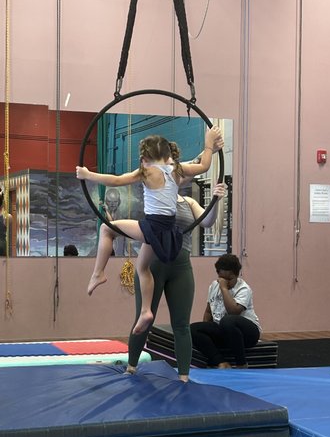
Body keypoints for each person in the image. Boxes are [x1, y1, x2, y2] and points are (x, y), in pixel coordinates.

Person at [76, 126, 223, 335]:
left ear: (145, 158)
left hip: (153, 227)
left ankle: (98, 273)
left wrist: (88, 174)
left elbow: (116, 181)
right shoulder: (177, 169)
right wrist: (209, 145)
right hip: (169, 231)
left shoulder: (146, 172)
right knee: (142, 267)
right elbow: (204, 165)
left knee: (107, 229)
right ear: (167, 155)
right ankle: (146, 311)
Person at [127, 151, 226, 382]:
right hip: (153, 266)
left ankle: (183, 376)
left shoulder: (189, 202)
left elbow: (208, 221)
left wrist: (216, 200)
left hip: (180, 268)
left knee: (181, 324)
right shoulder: (155, 196)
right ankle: (131, 367)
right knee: (144, 319)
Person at [191, 253, 261, 368]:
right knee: (193, 329)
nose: (226, 282)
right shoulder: (214, 286)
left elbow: (234, 311)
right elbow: (208, 312)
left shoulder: (243, 288)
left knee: (227, 321)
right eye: (223, 279)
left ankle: (241, 363)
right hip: (225, 332)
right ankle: (220, 362)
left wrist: (224, 288)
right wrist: (207, 333)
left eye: (229, 279)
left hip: (248, 334)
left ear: (236, 275)